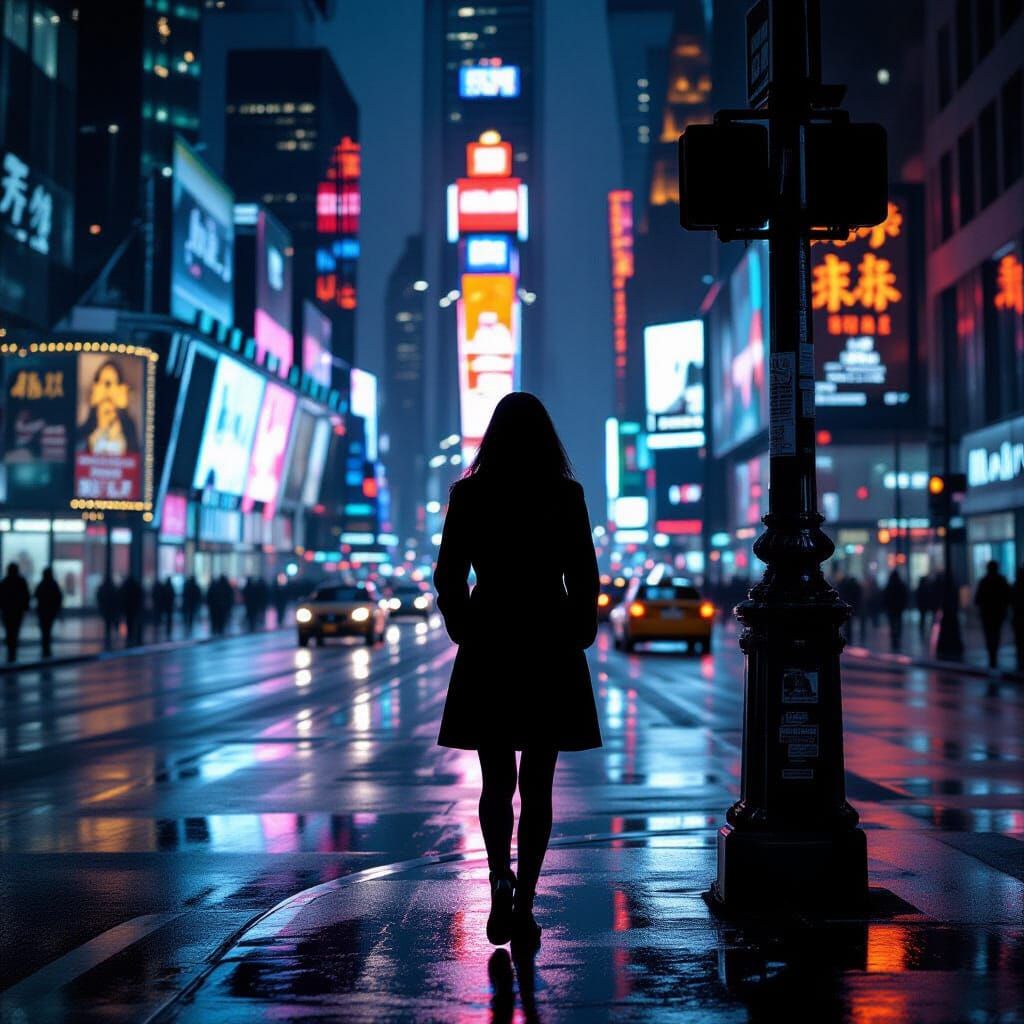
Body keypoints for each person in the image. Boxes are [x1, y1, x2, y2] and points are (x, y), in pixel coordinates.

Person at [434, 392, 601, 951]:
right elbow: (584, 574)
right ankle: (525, 900)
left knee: (496, 780)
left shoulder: (469, 494)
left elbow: (448, 574)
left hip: (490, 641)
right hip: (549, 642)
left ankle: (497, 877)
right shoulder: (565, 494)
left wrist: (463, 625)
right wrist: (580, 630)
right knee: (538, 785)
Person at [974, 560, 1011, 670]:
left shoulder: (984, 581)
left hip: (988, 613)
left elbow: (978, 599)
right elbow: (1008, 596)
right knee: (995, 633)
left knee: (989, 634)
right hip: (997, 612)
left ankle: (992, 655)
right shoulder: (1001, 580)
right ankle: (993, 655)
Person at [0, 563, 31, 663]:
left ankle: (11, 651)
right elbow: (26, 595)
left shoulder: (5, 581)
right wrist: (25, 607)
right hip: (17, 611)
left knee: (9, 631)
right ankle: (12, 652)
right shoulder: (20, 581)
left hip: (7, 611)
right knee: (15, 631)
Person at [34, 567, 63, 659]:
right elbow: (59, 597)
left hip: (43, 611)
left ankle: (45, 648)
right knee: (48, 629)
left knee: (44, 630)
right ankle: (47, 649)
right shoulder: (53, 584)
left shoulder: (41, 584)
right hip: (50, 611)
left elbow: (36, 595)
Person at [882, 569, 908, 649]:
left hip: (891, 608)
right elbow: (905, 596)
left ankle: (894, 638)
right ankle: (897, 637)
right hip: (898, 608)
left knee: (892, 623)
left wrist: (886, 606)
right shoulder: (901, 585)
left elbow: (885, 597)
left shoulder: (889, 585)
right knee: (898, 622)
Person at [836, 571, 862, 643]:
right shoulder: (855, 586)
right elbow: (858, 597)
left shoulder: (844, 585)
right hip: (852, 605)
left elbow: (842, 595)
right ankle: (849, 636)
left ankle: (847, 636)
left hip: (846, 605)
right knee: (849, 622)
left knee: (847, 622)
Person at [119, 576, 144, 646]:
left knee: (129, 622)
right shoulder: (136, 587)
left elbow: (121, 597)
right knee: (134, 622)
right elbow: (140, 597)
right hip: (133, 608)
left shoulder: (125, 587)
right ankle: (134, 637)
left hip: (128, 608)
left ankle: (130, 637)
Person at [97, 575, 120, 648]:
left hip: (106, 609)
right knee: (111, 622)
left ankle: (108, 636)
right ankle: (111, 636)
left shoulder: (102, 588)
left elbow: (99, 597)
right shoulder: (113, 588)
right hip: (111, 609)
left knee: (108, 623)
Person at [1011, 565, 1024, 673]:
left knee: (1019, 640)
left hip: (1018, 617)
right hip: (1018, 616)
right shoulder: (1015, 586)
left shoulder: (1015, 586)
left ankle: (1020, 659)